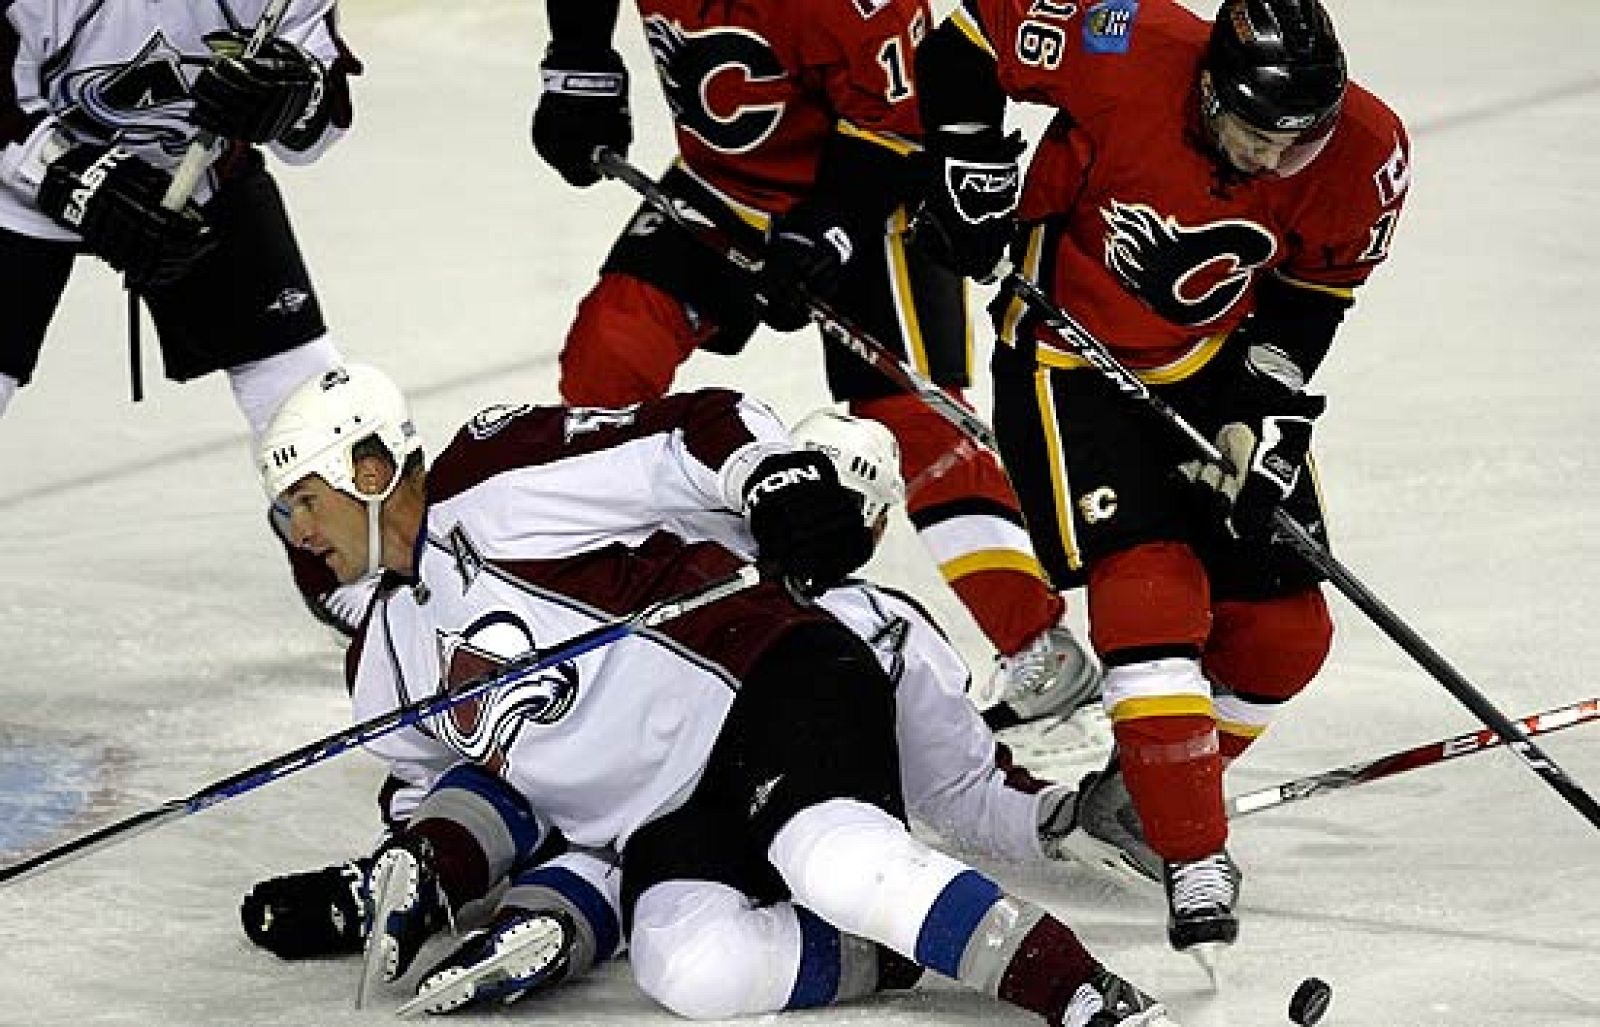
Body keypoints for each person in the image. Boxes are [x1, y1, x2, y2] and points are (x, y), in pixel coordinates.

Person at [254, 363, 1174, 1025]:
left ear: (368, 471)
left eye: (303, 499)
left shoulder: (494, 484)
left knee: (835, 861)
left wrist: (766, 474)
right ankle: (893, 946)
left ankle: (1089, 997)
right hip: (669, 817)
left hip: (770, 682)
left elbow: (687, 429)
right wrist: (421, 869)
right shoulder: (381, 660)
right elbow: (434, 790)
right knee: (690, 967)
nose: (299, 532)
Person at [914, 0, 1411, 962]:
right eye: (1254, 136)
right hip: (1067, 356)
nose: (1271, 164)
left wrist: (1261, 417)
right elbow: (966, 35)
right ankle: (1189, 844)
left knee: (1286, 633)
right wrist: (968, 163)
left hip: (1214, 359)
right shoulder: (1124, 42)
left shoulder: (1367, 149)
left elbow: (1313, 297)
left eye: (1294, 144)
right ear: (1212, 93)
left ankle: (1134, 798)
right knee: (1151, 587)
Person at [528, 0, 1100, 731]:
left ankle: (1038, 645)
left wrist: (831, 229)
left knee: (913, 418)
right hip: (723, 182)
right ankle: (611, 601)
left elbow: (905, 113)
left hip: (872, 190)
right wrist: (580, 57)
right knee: (605, 364)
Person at [0, 1, 360, 436]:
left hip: (199, 176)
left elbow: (315, 134)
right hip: (14, 192)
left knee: (317, 412)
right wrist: (73, 176)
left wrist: (295, 95)